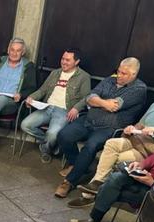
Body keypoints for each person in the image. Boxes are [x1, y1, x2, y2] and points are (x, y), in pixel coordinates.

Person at [70, 74, 154, 207]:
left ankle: (94, 195)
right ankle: (96, 186)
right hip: (139, 142)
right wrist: (131, 128)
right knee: (111, 143)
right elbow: (140, 125)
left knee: (119, 158)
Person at [55, 57, 147, 198]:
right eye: (119, 72)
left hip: (110, 128)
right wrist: (104, 103)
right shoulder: (109, 80)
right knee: (64, 135)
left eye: (124, 74)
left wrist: (97, 101)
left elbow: (115, 105)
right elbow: (89, 98)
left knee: (91, 146)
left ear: (134, 75)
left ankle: (69, 182)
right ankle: (77, 164)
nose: (119, 76)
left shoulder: (139, 89)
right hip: (89, 120)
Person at [20, 49, 91, 163]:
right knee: (25, 125)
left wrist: (76, 108)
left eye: (68, 60)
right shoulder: (55, 73)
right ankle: (52, 143)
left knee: (53, 133)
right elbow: (42, 90)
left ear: (76, 62)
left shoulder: (83, 77)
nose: (64, 62)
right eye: (63, 59)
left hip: (64, 111)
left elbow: (86, 97)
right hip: (47, 107)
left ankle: (46, 149)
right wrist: (32, 97)